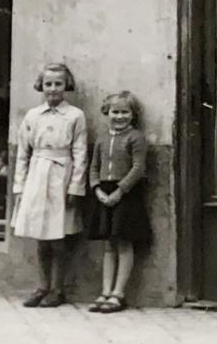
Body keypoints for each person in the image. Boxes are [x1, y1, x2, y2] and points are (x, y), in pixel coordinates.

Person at [11, 63, 89, 308]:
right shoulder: (33, 116)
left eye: (58, 84)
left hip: (61, 176)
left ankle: (58, 288)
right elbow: (23, 154)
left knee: (58, 237)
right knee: (40, 236)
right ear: (41, 86)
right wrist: (19, 187)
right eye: (48, 84)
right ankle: (42, 286)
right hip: (36, 175)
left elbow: (80, 154)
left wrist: (75, 187)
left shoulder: (75, 115)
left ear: (66, 85)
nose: (53, 89)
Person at [85, 91, 151, 314]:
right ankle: (105, 291)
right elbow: (94, 167)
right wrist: (97, 189)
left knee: (123, 242)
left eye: (125, 112)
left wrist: (120, 191)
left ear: (133, 114)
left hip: (126, 194)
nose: (120, 116)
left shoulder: (136, 137)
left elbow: (138, 168)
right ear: (107, 113)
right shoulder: (102, 140)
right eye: (115, 112)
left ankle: (118, 293)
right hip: (104, 192)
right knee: (108, 245)